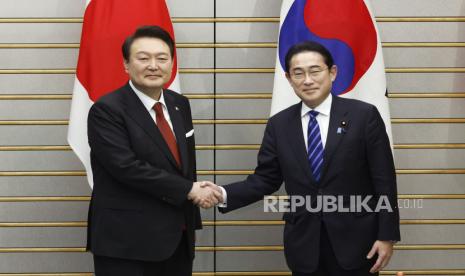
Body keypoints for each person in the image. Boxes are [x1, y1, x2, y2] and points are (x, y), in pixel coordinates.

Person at [208, 41, 400, 276]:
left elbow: (384, 181)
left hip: (358, 243)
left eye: (315, 71)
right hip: (305, 246)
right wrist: (222, 194)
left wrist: (387, 235)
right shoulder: (279, 125)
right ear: (289, 79)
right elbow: (266, 179)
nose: (307, 80)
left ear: (332, 73)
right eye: (298, 73)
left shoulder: (364, 115)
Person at [86, 25, 220, 276]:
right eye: (143, 58)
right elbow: (126, 167)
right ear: (126, 64)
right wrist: (190, 190)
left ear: (171, 63)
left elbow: (183, 165)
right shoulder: (106, 110)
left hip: (177, 238)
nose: (153, 65)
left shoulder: (180, 104)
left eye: (162, 58)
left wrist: (193, 197)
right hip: (126, 244)